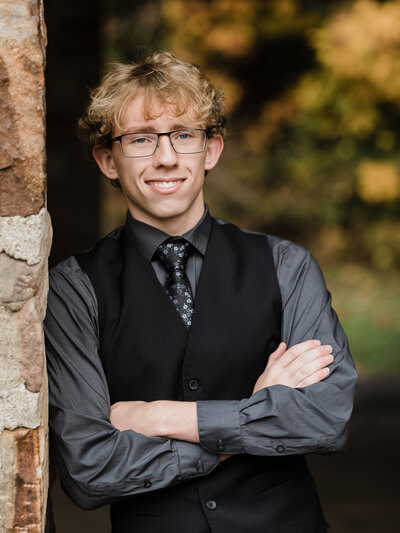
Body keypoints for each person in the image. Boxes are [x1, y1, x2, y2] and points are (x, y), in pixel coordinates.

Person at [44, 51, 358, 533]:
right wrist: (254, 414)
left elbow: (324, 419)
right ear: (107, 160)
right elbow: (89, 471)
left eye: (184, 136)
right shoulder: (73, 288)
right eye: (140, 139)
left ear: (211, 150)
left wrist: (156, 417)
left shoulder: (287, 266)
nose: (166, 157)